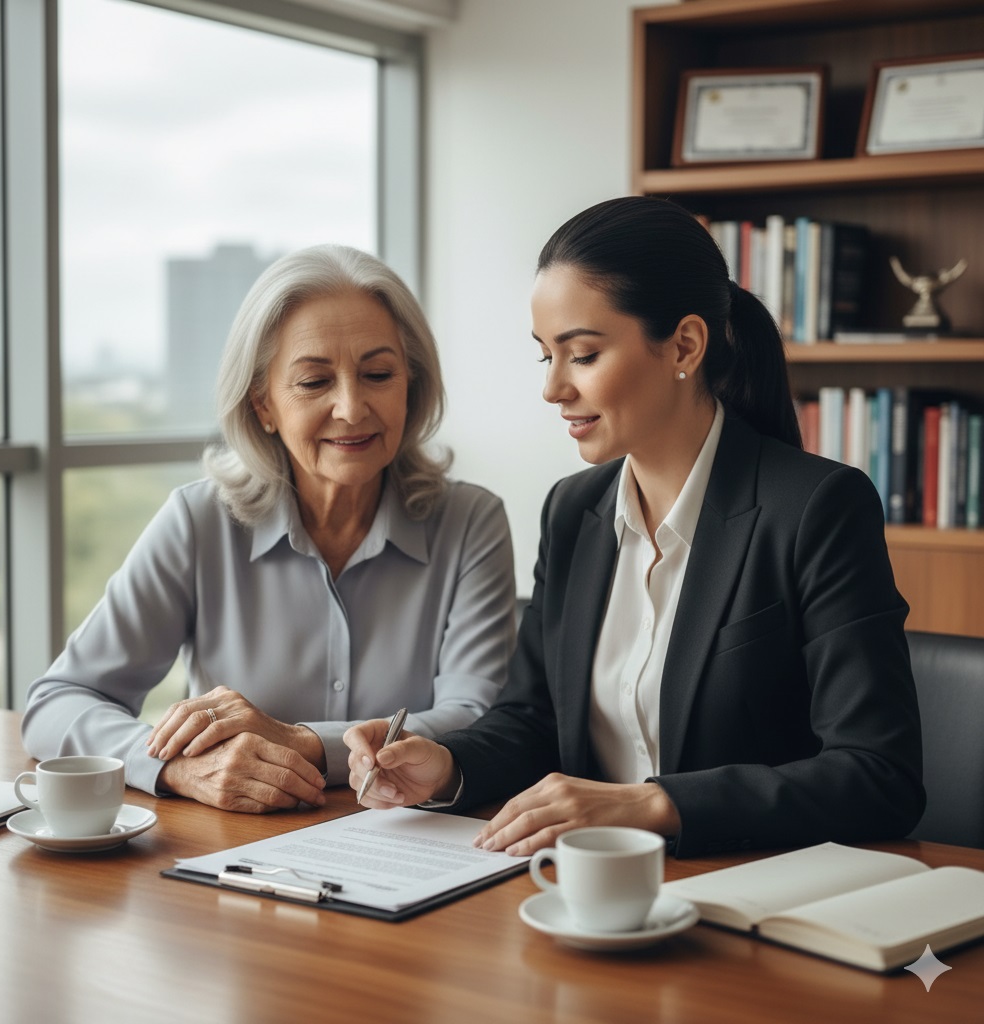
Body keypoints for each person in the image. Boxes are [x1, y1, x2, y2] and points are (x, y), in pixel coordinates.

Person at [343, 196, 925, 858]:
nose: (553, 389)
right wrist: (446, 765)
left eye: (582, 355)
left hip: (744, 895)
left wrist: (653, 804)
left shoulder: (819, 507)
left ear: (684, 345)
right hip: (586, 893)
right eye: (546, 357)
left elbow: (881, 777)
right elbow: (533, 721)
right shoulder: (573, 512)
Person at [22, 244, 516, 813]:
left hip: (410, 847)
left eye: (379, 374)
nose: (352, 408)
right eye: (313, 383)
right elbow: (58, 701)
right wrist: (174, 765)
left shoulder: (472, 523)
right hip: (231, 852)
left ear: (412, 384)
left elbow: (474, 716)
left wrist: (302, 743)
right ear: (263, 404)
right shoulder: (198, 521)